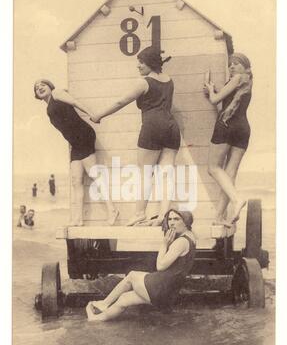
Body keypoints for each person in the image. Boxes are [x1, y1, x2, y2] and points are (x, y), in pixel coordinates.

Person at [90, 47, 181, 227]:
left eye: (141, 62)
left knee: (145, 173)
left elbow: (120, 102)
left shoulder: (144, 82)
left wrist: (99, 115)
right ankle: (164, 215)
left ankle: (139, 213)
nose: (138, 66)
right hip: (171, 127)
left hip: (152, 126)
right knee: (166, 174)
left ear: (150, 63)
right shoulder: (169, 80)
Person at [34, 79, 119, 226]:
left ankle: (112, 210)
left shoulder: (57, 93)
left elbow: (75, 103)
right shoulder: (48, 107)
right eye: (36, 88)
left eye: (42, 84)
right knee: (76, 181)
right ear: (36, 95)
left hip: (84, 136)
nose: (39, 87)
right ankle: (78, 219)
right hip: (75, 143)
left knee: (94, 175)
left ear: (50, 86)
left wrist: (93, 114)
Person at [86, 209, 196, 322]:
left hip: (161, 288)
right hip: (169, 292)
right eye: (169, 219)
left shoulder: (180, 242)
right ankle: (96, 319)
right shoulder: (191, 237)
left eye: (176, 219)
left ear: (186, 222)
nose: (171, 223)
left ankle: (104, 304)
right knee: (124, 299)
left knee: (132, 275)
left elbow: (160, 266)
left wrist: (164, 244)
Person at [203, 53, 253, 226]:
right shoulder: (247, 81)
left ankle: (237, 199)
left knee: (213, 168)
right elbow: (229, 100)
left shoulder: (237, 78)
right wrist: (216, 91)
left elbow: (215, 100)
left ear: (245, 66)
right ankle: (219, 217)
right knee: (229, 173)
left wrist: (210, 90)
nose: (232, 67)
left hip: (226, 125)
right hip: (243, 128)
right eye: (230, 64)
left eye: (236, 63)